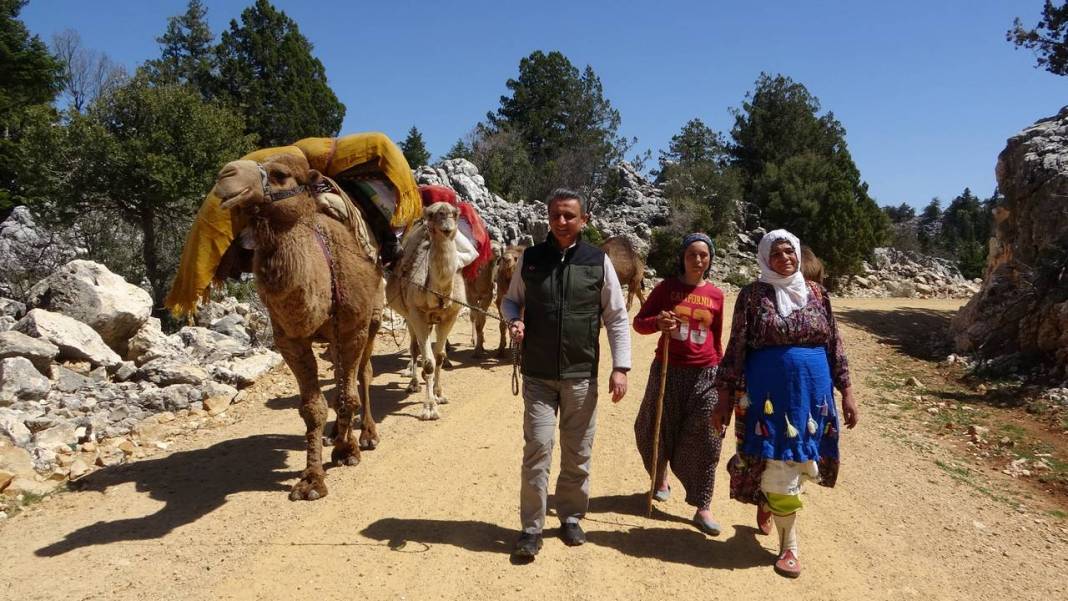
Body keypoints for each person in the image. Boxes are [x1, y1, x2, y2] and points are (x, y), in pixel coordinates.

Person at [712, 229, 859, 579]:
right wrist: (723, 397)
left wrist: (847, 390)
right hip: (767, 398)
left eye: (789, 251)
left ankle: (770, 503)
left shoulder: (817, 293)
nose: (784, 258)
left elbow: (834, 343)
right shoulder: (751, 296)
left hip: (812, 396)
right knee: (777, 464)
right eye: (776, 253)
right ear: (765, 258)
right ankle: (789, 544)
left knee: (799, 460)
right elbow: (736, 349)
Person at [503, 188, 631, 561]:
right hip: (538, 375)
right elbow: (512, 299)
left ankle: (571, 517)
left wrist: (620, 367)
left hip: (581, 376)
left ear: (583, 221)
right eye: (556, 215)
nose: (562, 222)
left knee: (578, 453)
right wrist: (514, 320)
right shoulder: (530, 259)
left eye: (569, 216)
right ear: (548, 217)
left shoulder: (598, 261)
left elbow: (617, 316)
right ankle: (531, 528)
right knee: (538, 449)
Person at [632, 233, 726, 535]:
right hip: (668, 369)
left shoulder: (716, 295)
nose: (698, 260)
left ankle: (703, 505)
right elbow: (640, 322)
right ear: (682, 258)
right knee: (655, 427)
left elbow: (717, 338)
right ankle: (659, 476)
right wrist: (657, 323)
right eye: (692, 255)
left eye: (704, 255)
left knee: (709, 437)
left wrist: (723, 378)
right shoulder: (667, 289)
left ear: (710, 258)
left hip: (706, 373)